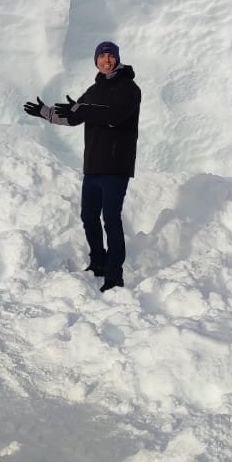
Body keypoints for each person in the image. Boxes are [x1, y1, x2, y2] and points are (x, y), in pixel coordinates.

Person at [24, 41, 141, 292]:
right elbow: (74, 116)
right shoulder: (93, 90)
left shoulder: (129, 88)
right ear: (96, 61)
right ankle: (98, 262)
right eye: (102, 56)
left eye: (110, 56)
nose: (106, 60)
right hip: (94, 166)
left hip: (116, 166)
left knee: (111, 219)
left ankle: (114, 275)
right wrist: (45, 112)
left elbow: (113, 117)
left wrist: (83, 108)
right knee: (89, 216)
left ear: (117, 59)